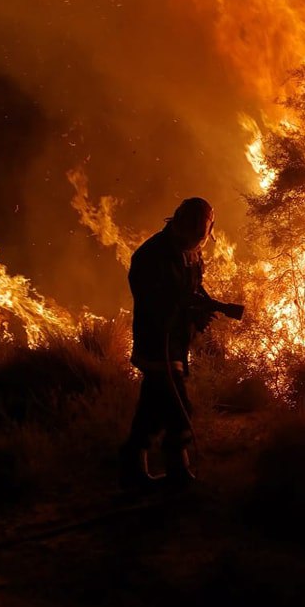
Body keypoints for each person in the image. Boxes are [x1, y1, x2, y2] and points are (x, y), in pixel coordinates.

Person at [119, 196, 216, 489]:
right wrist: (183, 309)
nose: (200, 242)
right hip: (156, 343)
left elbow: (194, 288)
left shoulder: (189, 252)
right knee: (179, 409)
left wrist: (202, 309)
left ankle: (132, 465)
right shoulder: (150, 256)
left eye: (203, 236)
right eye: (197, 235)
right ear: (181, 225)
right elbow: (151, 301)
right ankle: (178, 472)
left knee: (150, 410)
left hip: (176, 344)